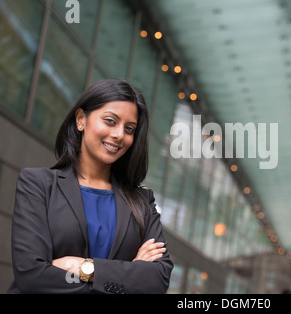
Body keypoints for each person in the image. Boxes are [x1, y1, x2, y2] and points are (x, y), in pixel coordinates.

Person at [7, 79, 173, 293]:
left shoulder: (142, 202)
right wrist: (127, 274)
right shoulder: (38, 185)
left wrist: (84, 268)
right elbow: (32, 275)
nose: (119, 134)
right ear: (80, 120)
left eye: (129, 129)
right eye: (110, 121)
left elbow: (157, 279)